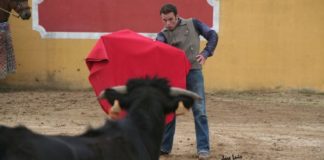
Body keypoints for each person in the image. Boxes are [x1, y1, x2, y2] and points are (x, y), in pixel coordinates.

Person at [156, 3, 218, 160]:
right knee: (169, 111)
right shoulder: (162, 35)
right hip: (174, 76)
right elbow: (156, 51)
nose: (168, 24)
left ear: (177, 16)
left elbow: (212, 35)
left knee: (200, 110)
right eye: (164, 20)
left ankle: (203, 149)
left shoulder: (193, 23)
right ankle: (164, 147)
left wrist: (205, 53)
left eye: (170, 19)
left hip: (193, 72)